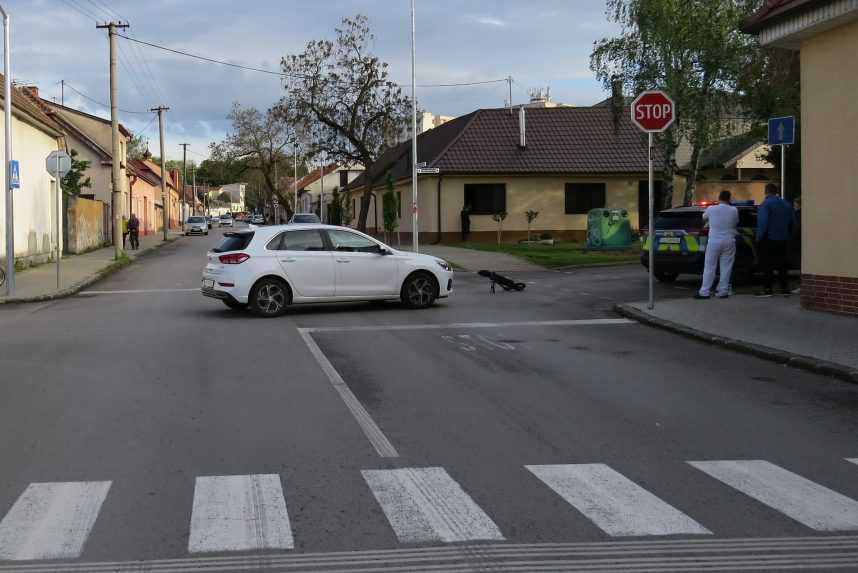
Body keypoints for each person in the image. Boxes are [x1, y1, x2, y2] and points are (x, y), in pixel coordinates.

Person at [696, 190, 738, 299]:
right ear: (729, 199)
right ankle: (723, 291)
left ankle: (704, 292)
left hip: (714, 241)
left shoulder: (711, 209)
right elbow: (736, 222)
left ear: (719, 198)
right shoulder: (734, 210)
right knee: (726, 267)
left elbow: (704, 217)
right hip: (729, 241)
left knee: (710, 266)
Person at [756, 183, 795, 297]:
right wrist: (789, 236)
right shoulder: (786, 204)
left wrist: (759, 237)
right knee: (782, 264)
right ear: (776, 191)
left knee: (767, 265)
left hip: (769, 239)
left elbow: (763, 223)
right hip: (783, 239)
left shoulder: (765, 204)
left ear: (766, 191)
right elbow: (793, 222)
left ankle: (768, 289)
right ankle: (784, 288)